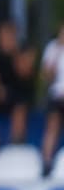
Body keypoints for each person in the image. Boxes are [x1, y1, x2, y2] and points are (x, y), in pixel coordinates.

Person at [0, 20, 35, 148]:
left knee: (19, 105)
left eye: (9, 34)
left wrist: (14, 53)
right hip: (3, 95)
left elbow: (25, 73)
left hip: (21, 94)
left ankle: (16, 143)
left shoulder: (26, 49)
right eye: (2, 35)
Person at [41, 24, 64, 163]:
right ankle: (46, 162)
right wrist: (58, 51)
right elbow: (47, 76)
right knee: (52, 126)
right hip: (56, 95)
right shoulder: (52, 48)